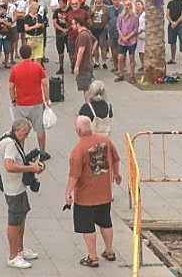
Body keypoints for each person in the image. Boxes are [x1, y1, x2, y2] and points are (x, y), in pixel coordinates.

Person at [65, 115, 122, 268]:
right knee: (105, 221)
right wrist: (116, 174)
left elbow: (74, 176)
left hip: (85, 197)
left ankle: (93, 256)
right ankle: (109, 251)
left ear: (77, 130)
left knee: (87, 226)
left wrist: (68, 192)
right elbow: (116, 158)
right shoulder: (105, 140)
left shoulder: (78, 150)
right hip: (104, 193)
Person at [0, 116, 44, 269]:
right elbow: (9, 166)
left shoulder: (10, 138)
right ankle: (13, 256)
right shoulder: (10, 144)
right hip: (13, 189)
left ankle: (20, 249)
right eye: (25, 133)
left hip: (18, 186)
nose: (26, 136)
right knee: (14, 221)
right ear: (17, 130)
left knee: (22, 217)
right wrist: (31, 168)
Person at [9, 44, 51, 154]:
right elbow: (45, 83)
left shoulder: (15, 69)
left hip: (21, 103)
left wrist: (13, 100)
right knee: (39, 128)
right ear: (31, 54)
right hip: (36, 102)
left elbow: (11, 87)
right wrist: (47, 99)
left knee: (20, 130)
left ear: (21, 55)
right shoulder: (38, 67)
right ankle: (42, 151)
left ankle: (21, 152)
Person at [70, 16, 96, 102]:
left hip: (84, 66)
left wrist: (76, 66)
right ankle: (89, 106)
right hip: (88, 64)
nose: (71, 26)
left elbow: (81, 51)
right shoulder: (87, 32)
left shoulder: (82, 35)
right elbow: (95, 40)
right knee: (88, 87)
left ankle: (89, 108)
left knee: (86, 88)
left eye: (73, 24)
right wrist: (91, 51)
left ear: (78, 24)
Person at [115, 0, 139, 82]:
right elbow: (118, 27)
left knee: (131, 58)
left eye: (128, 5)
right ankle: (121, 74)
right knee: (120, 58)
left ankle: (132, 76)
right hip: (122, 41)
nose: (127, 6)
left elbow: (135, 30)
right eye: (125, 5)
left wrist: (127, 37)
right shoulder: (120, 16)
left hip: (131, 41)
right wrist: (122, 37)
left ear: (131, 6)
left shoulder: (135, 17)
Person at [165, 0, 182, 66]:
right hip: (171, 24)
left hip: (181, 24)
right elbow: (167, 14)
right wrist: (171, 22)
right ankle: (173, 58)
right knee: (172, 42)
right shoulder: (170, 3)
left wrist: (176, 23)